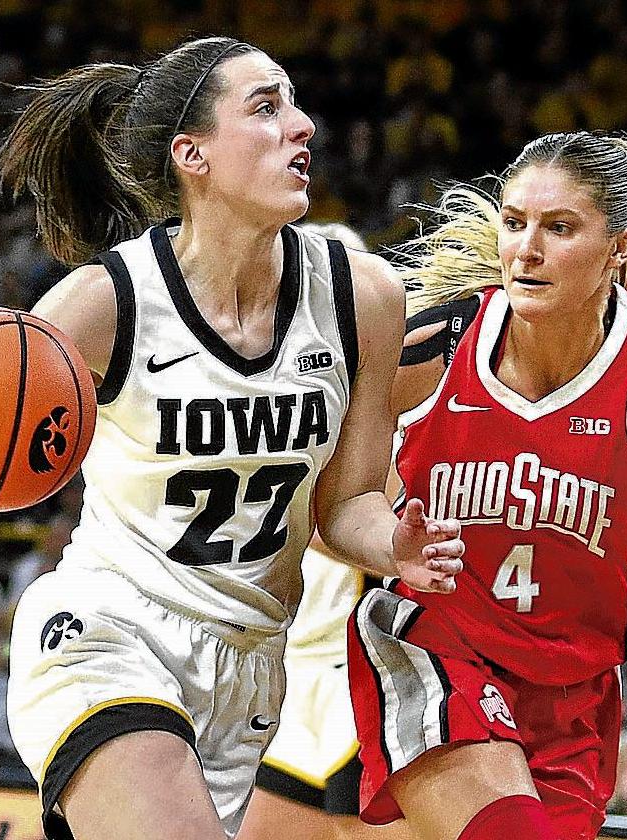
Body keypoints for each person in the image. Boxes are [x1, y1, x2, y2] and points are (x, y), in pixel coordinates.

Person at [0, 36, 465, 840]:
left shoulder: (364, 296)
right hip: (109, 634)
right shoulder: (104, 304)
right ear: (193, 155)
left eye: (295, 101)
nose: (304, 125)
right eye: (266, 107)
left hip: (248, 676)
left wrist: (396, 547)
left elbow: (345, 504)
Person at [347, 131, 627, 840]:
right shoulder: (438, 344)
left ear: (618, 247)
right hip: (438, 651)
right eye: (515, 222)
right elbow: (335, 497)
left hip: (571, 697)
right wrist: (380, 539)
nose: (526, 248)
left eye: (559, 229)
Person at [238, 222, 383, 840]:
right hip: (285, 671)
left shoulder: (389, 406)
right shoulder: (260, 400)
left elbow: (368, 525)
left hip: (363, 674)